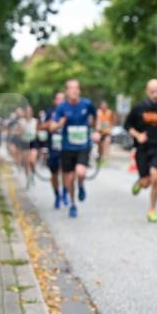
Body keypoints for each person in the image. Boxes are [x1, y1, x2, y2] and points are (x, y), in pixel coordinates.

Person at [125, 79, 157, 222]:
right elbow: (127, 126)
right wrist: (138, 135)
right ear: (147, 91)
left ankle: (152, 209)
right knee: (146, 181)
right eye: (152, 91)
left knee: (155, 177)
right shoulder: (139, 108)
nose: (155, 94)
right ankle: (140, 183)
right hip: (142, 149)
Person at [53, 80, 96, 218]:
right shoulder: (62, 107)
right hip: (67, 147)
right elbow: (52, 127)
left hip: (83, 145)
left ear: (79, 90)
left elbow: (96, 116)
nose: (74, 91)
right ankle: (72, 204)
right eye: (71, 88)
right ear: (67, 91)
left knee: (81, 172)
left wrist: (96, 130)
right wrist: (60, 123)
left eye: (76, 88)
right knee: (69, 179)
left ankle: (81, 185)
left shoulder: (86, 104)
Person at [45, 92, 68, 208]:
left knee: (65, 171)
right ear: (55, 101)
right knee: (54, 173)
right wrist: (52, 124)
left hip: (66, 147)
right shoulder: (50, 112)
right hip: (53, 147)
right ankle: (57, 195)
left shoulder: (69, 111)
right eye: (58, 99)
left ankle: (65, 192)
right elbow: (42, 126)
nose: (60, 101)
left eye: (62, 99)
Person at [96, 100, 115, 165]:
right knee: (100, 145)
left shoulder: (109, 112)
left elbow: (113, 120)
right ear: (100, 106)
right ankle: (99, 156)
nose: (104, 107)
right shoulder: (98, 112)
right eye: (102, 106)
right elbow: (96, 120)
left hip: (107, 131)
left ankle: (105, 158)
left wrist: (111, 127)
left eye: (105, 106)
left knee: (107, 143)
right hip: (100, 131)